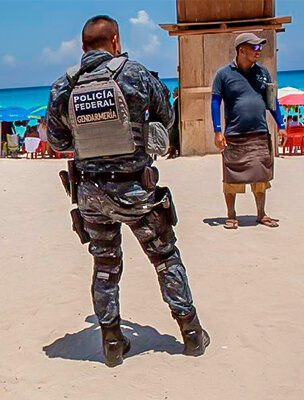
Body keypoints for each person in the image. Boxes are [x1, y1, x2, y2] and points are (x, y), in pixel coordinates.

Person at [46, 15, 209, 367]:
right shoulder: (137, 74)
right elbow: (166, 120)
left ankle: (112, 341)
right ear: (115, 41)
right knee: (164, 258)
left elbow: (57, 141)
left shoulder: (64, 85)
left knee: (105, 265)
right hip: (136, 190)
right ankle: (191, 332)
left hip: (90, 195)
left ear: (83, 47)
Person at [212, 32, 285, 229]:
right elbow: (215, 102)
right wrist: (217, 130)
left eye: (260, 47)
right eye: (254, 47)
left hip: (259, 133)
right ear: (241, 50)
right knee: (232, 176)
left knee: (261, 176)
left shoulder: (263, 73)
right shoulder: (223, 74)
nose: (258, 50)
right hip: (234, 134)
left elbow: (272, 102)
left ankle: (261, 214)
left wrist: (281, 125)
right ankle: (231, 215)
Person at [167, 87, 180, 159]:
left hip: (175, 123)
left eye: (173, 93)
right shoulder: (176, 101)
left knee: (172, 135)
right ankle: (172, 151)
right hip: (175, 123)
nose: (172, 94)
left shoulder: (176, 101)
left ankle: (172, 151)